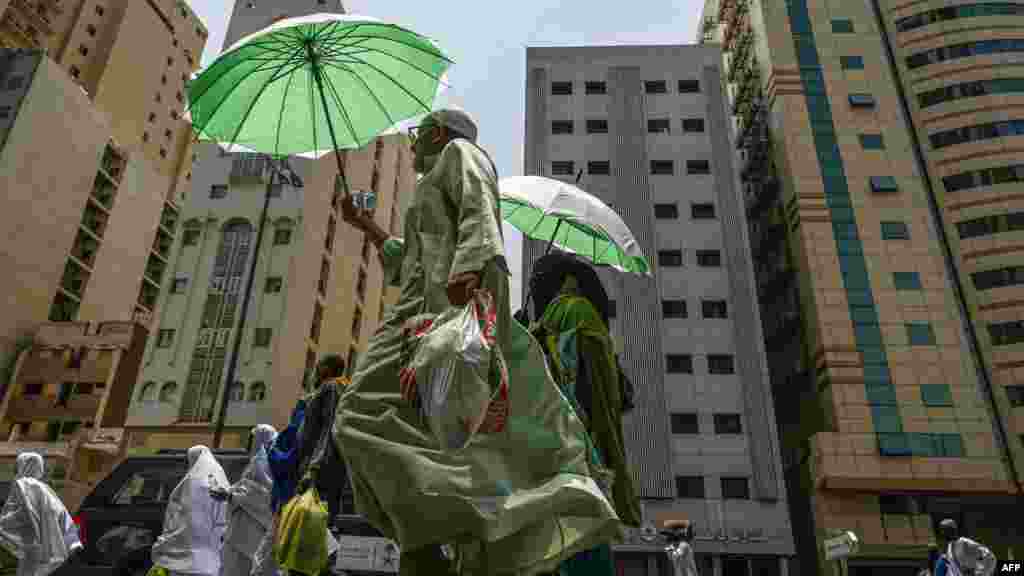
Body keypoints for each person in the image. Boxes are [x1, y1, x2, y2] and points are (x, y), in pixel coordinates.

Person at [334, 108, 620, 575]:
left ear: (439, 132)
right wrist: (364, 225)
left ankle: (436, 541)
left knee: (359, 416)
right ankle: (429, 541)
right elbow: (413, 258)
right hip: (415, 320)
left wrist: (470, 269)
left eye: (418, 133)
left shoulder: (460, 152)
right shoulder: (429, 185)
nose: (412, 144)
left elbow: (479, 208)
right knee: (386, 429)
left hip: (444, 316)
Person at [532, 265, 642, 576]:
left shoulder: (570, 310)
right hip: (581, 450)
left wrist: (530, 335)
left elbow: (550, 371)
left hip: (566, 445)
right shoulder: (585, 317)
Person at [150, 445, 228, 576]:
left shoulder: (192, 481)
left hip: (187, 550)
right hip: (212, 553)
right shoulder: (219, 477)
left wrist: (164, 542)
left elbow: (182, 515)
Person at [0, 452, 82, 576]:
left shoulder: (23, 485)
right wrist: (72, 541)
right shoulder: (45, 489)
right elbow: (61, 514)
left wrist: (3, 525)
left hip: (32, 546)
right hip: (49, 547)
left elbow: (20, 514)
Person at [213, 425, 279, 576]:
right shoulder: (258, 463)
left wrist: (230, 495)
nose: (248, 445)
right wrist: (229, 493)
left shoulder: (262, 464)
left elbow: (264, 496)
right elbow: (246, 489)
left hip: (251, 533)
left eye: (252, 439)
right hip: (243, 532)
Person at [295, 354, 349, 520]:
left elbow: (330, 426)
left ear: (327, 368)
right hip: (328, 462)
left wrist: (314, 467)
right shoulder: (341, 387)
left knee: (313, 520)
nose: (316, 370)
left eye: (319, 366)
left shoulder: (331, 387)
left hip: (321, 466)